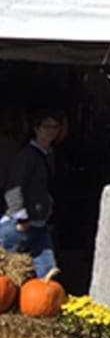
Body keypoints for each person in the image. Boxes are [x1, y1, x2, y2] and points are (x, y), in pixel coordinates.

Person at [0, 108, 65, 278]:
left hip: (39, 224)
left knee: (48, 272)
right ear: (36, 129)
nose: (51, 131)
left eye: (55, 127)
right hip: (19, 224)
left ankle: (48, 294)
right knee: (5, 270)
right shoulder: (27, 157)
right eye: (46, 126)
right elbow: (14, 188)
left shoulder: (48, 155)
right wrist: (21, 216)